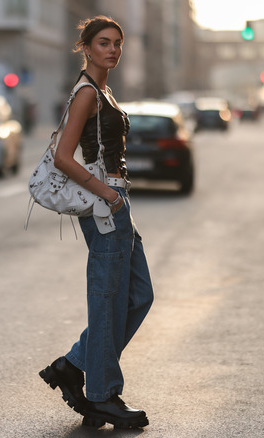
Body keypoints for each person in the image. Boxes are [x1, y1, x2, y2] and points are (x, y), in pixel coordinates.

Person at [38, 16, 154, 430]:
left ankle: (74, 364)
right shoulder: (87, 92)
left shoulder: (103, 90)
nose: (113, 50)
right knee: (106, 301)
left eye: (118, 44)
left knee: (139, 295)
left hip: (118, 206)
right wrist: (106, 193)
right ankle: (103, 395)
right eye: (103, 43)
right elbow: (63, 156)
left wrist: (116, 197)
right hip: (106, 206)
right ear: (85, 47)